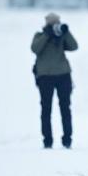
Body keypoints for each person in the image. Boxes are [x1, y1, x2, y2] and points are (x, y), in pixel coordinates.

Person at [31, 13, 78, 149]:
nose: (55, 27)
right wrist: (47, 34)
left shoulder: (61, 36)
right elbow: (35, 49)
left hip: (63, 75)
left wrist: (66, 32)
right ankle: (47, 140)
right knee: (46, 109)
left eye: (57, 23)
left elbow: (74, 46)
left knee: (65, 108)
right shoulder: (39, 36)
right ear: (47, 24)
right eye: (53, 24)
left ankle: (67, 139)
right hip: (45, 76)